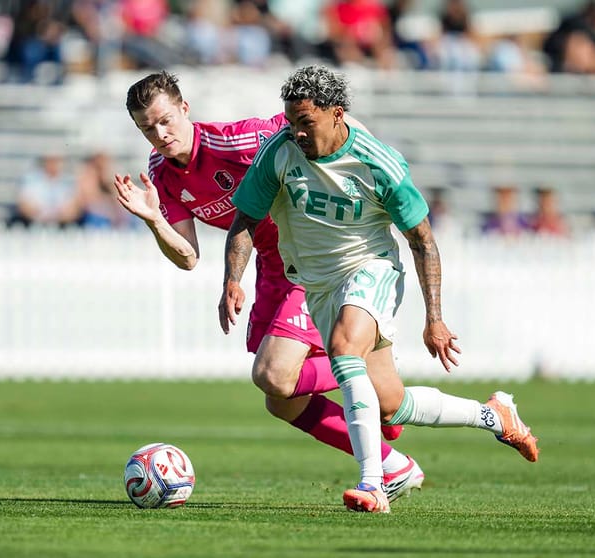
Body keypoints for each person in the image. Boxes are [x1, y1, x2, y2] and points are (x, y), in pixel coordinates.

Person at [224, 65, 539, 513]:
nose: (296, 133)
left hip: (371, 268)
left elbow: (423, 241)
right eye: (291, 122)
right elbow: (244, 223)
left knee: (343, 348)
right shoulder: (278, 154)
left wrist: (435, 318)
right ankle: (493, 415)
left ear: (337, 114)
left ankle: (374, 482)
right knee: (390, 403)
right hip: (317, 284)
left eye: (306, 123)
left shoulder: (378, 163)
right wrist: (232, 279)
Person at [114, 71, 425, 505]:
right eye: (147, 128)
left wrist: (371, 168)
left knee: (274, 374)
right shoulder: (160, 173)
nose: (160, 134)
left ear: (185, 109)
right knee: (280, 400)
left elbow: (331, 129)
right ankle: (395, 464)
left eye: (166, 120)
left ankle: (367, 383)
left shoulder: (239, 142)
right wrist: (155, 220)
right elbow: (187, 256)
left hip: (310, 259)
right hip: (270, 270)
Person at [10, 152, 83, 228]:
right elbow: (24, 206)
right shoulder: (31, 179)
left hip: (62, 226)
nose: (53, 165)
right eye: (50, 161)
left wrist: (58, 215)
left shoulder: (69, 181)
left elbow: (74, 209)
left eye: (57, 161)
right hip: (33, 224)